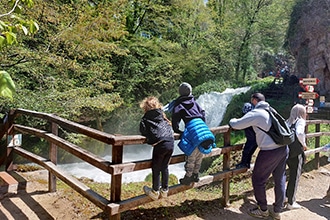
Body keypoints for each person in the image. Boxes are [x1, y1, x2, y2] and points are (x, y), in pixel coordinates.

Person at [229, 93, 288, 220]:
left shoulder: (257, 113)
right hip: (283, 148)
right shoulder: (271, 109)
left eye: (252, 101)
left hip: (269, 151)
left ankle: (263, 209)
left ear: (254, 100)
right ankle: (277, 211)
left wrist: (231, 120)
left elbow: (236, 124)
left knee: (258, 179)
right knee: (280, 179)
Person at [171, 82, 215, 185]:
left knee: (191, 153)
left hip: (192, 127)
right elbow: (203, 113)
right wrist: (202, 124)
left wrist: (177, 130)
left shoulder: (179, 103)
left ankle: (188, 176)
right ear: (190, 91)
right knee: (200, 152)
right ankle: (195, 175)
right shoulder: (194, 101)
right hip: (202, 126)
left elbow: (175, 117)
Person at [139, 96, 175, 200]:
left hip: (160, 144)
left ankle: (155, 191)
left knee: (156, 168)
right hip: (171, 143)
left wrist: (150, 140)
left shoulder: (146, 118)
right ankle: (164, 190)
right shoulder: (162, 115)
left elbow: (143, 130)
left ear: (145, 107)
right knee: (164, 167)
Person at [285, 104, 308, 209]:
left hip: (286, 151)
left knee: (286, 174)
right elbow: (299, 133)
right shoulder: (300, 121)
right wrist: (304, 144)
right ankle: (291, 202)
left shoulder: (287, 122)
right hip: (296, 151)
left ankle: (285, 196)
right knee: (295, 175)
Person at [236, 102, 258, 169]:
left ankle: (243, 163)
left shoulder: (247, 118)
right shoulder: (254, 117)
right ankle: (247, 163)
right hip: (256, 138)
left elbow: (239, 124)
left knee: (246, 150)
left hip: (251, 138)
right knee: (250, 151)